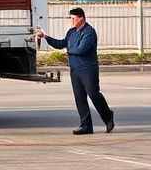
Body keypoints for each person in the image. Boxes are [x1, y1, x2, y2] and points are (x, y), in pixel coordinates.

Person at [37, 7, 114, 135]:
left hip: (88, 69)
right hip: (75, 70)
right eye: (70, 18)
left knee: (93, 94)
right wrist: (46, 37)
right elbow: (61, 43)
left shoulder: (89, 32)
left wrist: (68, 51)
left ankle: (108, 117)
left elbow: (81, 49)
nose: (71, 21)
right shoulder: (71, 32)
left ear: (81, 18)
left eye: (73, 18)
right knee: (80, 98)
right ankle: (86, 126)